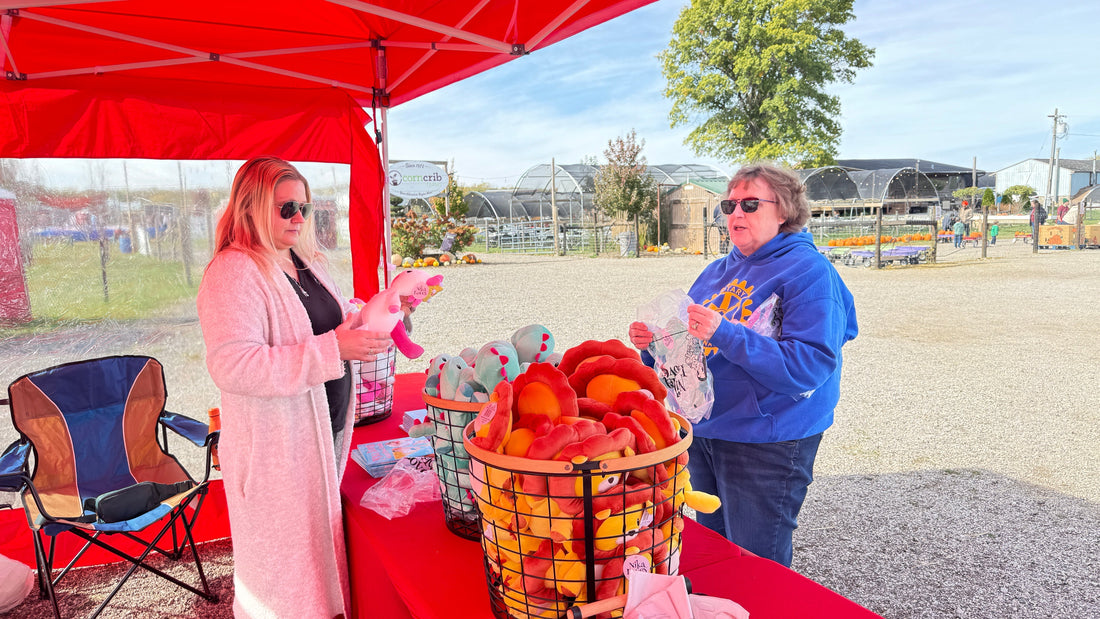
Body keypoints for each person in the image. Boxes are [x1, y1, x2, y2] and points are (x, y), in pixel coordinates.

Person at [628, 162, 857, 567]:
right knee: (715, 554)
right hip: (706, 432)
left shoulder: (809, 272)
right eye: (728, 205)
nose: (735, 214)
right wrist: (655, 346)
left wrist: (726, 333)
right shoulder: (716, 271)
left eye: (750, 204)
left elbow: (809, 367)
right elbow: (690, 352)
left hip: (766, 440)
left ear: (784, 209)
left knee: (756, 562)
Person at [197, 156, 393, 617]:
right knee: (285, 581)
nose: (299, 218)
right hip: (277, 457)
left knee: (316, 566)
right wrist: (332, 352)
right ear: (250, 205)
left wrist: (386, 308)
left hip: (322, 439)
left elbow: (337, 324)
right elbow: (233, 365)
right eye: (286, 208)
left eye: (305, 208)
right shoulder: (233, 272)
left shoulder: (303, 261)